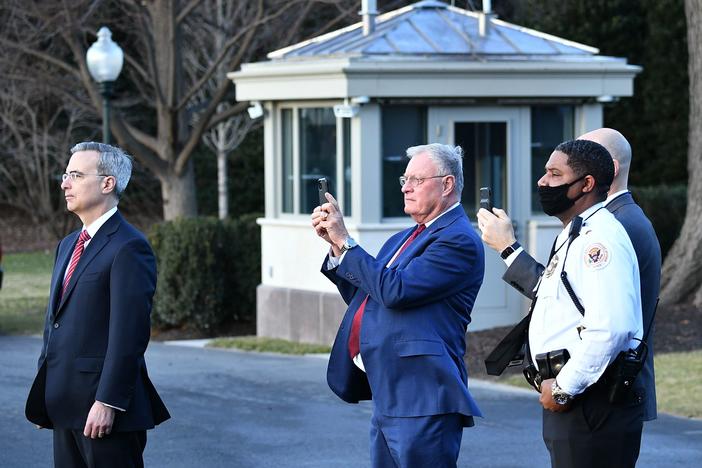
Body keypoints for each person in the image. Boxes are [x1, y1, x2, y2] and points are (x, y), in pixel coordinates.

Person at [311, 143, 484, 468]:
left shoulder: (457, 240)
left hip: (424, 396)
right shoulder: (405, 238)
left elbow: (396, 291)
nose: (405, 186)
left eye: (416, 179)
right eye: (405, 179)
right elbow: (369, 296)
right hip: (390, 391)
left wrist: (348, 242)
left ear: (447, 184)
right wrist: (337, 248)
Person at [478, 128, 660, 423]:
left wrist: (509, 248)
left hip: (600, 392)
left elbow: (608, 323)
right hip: (585, 390)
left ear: (604, 170)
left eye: (557, 172)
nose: (545, 181)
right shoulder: (588, 222)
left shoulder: (614, 226)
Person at [25, 142, 170, 468]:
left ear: (108, 183)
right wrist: (45, 394)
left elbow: (129, 335)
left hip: (103, 410)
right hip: (64, 405)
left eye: (75, 175)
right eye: (66, 175)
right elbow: (54, 325)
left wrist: (108, 401)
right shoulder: (67, 245)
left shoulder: (129, 247)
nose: (65, 183)